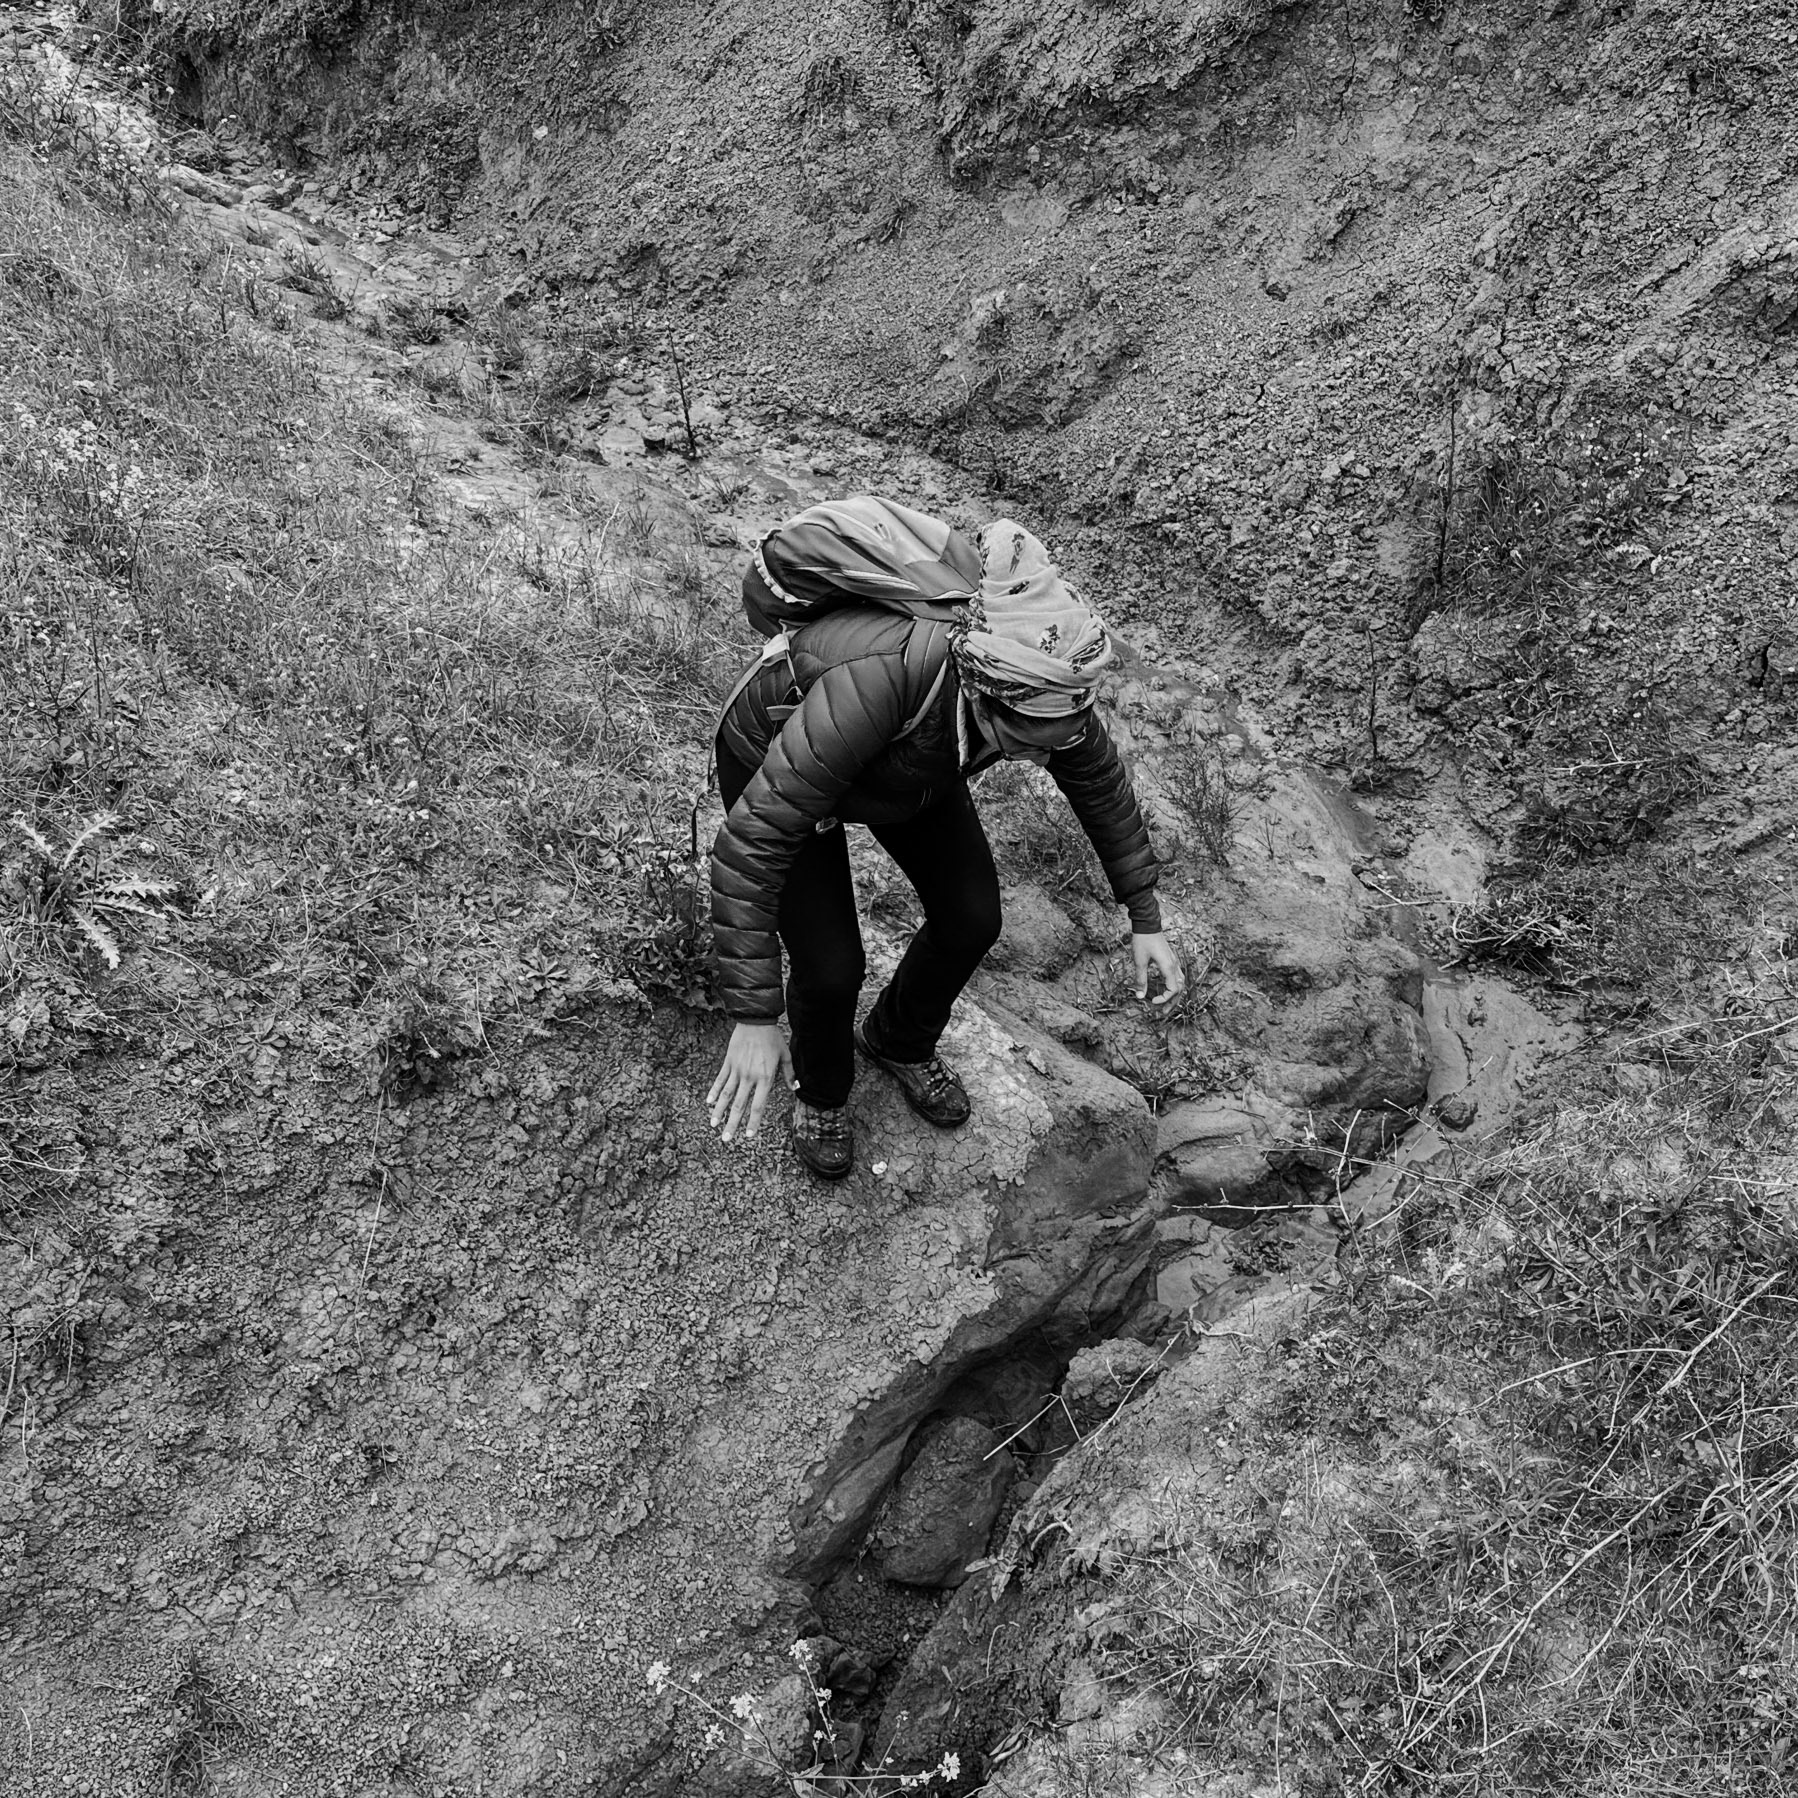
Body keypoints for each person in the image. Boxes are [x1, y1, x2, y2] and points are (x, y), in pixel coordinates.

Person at [706, 497, 1184, 1180]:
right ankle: (823, 1095)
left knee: (971, 916)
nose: (1049, 750)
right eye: (1032, 740)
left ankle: (898, 1040)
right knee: (832, 964)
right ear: (988, 693)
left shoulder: (1045, 689)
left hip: (910, 762)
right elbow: (752, 842)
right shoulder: (886, 677)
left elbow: (1099, 783)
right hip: (781, 754)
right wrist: (753, 1017)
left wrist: (1145, 917)